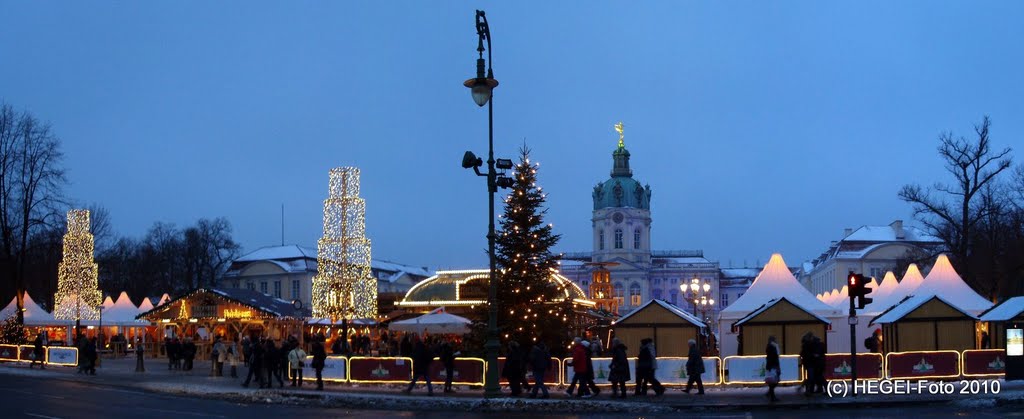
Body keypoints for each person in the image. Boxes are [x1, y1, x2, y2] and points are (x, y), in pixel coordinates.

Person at [765, 335, 781, 402]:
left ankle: (770, 394)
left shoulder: (771, 346)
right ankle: (772, 396)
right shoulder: (772, 347)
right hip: (773, 366)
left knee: (774, 381)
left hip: (772, 365)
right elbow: (775, 356)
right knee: (773, 381)